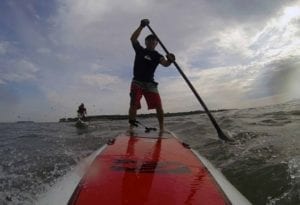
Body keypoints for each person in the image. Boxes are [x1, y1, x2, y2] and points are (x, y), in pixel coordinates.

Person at [128, 19, 175, 133]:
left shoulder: (157, 55)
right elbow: (133, 39)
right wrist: (141, 26)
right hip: (137, 81)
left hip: (150, 83)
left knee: (159, 106)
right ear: (145, 42)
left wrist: (171, 59)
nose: (151, 42)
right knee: (134, 103)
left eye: (153, 41)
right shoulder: (140, 50)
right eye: (149, 41)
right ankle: (131, 126)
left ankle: (162, 127)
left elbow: (165, 64)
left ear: (156, 43)